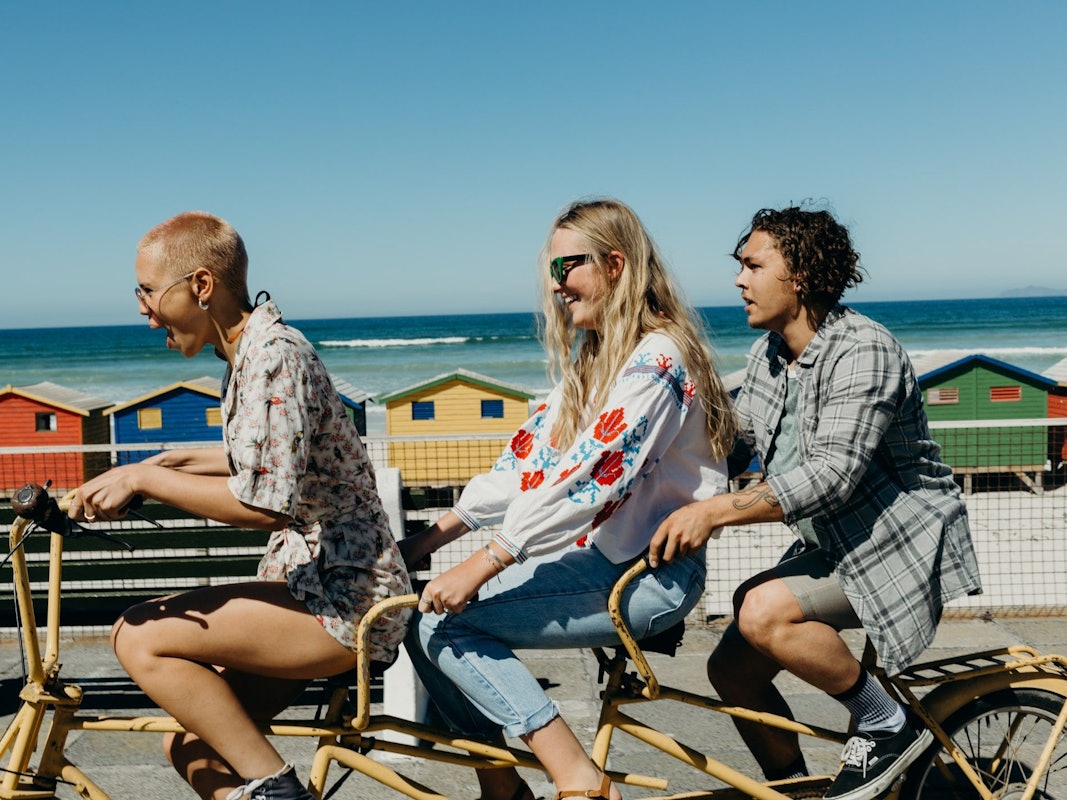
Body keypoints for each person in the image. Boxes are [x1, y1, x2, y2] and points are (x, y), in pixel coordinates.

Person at [66, 211, 413, 800]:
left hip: (347, 600)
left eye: (148, 292)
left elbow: (264, 504)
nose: (143, 311)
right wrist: (162, 464)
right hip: (313, 585)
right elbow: (261, 460)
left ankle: (279, 791)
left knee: (137, 634)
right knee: (191, 747)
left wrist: (144, 481)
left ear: (201, 286)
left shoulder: (274, 354)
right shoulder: (247, 356)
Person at [399, 198, 738, 800]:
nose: (557, 286)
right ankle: (502, 786)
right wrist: (427, 541)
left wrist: (487, 559)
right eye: (549, 273)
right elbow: (526, 464)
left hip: (650, 575)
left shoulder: (658, 360)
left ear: (614, 265)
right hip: (602, 563)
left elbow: (587, 478)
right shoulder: (595, 362)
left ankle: (576, 775)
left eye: (567, 268)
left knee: (446, 629)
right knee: (417, 618)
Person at [648, 205, 982, 800]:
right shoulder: (770, 356)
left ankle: (887, 722)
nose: (738, 280)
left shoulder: (863, 349)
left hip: (899, 541)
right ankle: (794, 789)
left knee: (761, 611)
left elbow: (833, 475)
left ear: (798, 274)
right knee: (729, 668)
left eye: (752, 265)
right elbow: (734, 442)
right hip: (834, 541)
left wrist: (714, 512)